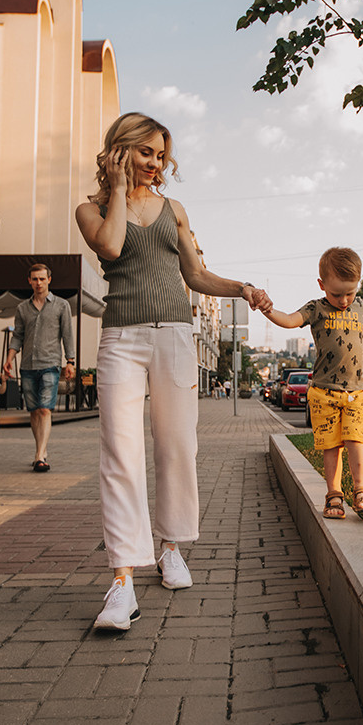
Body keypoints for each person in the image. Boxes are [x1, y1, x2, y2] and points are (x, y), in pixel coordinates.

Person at [75, 112, 271, 631]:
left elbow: (195, 274)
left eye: (161, 155)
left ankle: (170, 548)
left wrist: (243, 288)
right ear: (120, 150)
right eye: (146, 153)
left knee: (177, 445)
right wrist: (118, 189)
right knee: (121, 450)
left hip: (176, 337)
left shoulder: (175, 210)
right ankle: (121, 582)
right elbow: (112, 245)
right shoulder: (90, 209)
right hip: (121, 338)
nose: (156, 164)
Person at [261, 246, 363, 519]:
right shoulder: (316, 308)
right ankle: (334, 494)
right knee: (331, 445)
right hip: (324, 392)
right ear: (321, 285)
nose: (344, 300)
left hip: (358, 390)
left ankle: (362, 491)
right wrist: (268, 310)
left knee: (356, 439)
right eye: (336, 294)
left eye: (350, 292)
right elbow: (289, 321)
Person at [3, 263, 76, 472]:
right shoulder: (22, 308)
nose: (38, 283)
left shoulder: (61, 306)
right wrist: (9, 359)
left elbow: (67, 335)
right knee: (34, 411)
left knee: (45, 409)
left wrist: (70, 362)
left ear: (49, 280)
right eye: (35, 279)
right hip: (27, 365)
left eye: (42, 279)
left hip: (50, 364)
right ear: (29, 281)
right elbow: (17, 336)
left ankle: (39, 456)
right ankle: (41, 450)